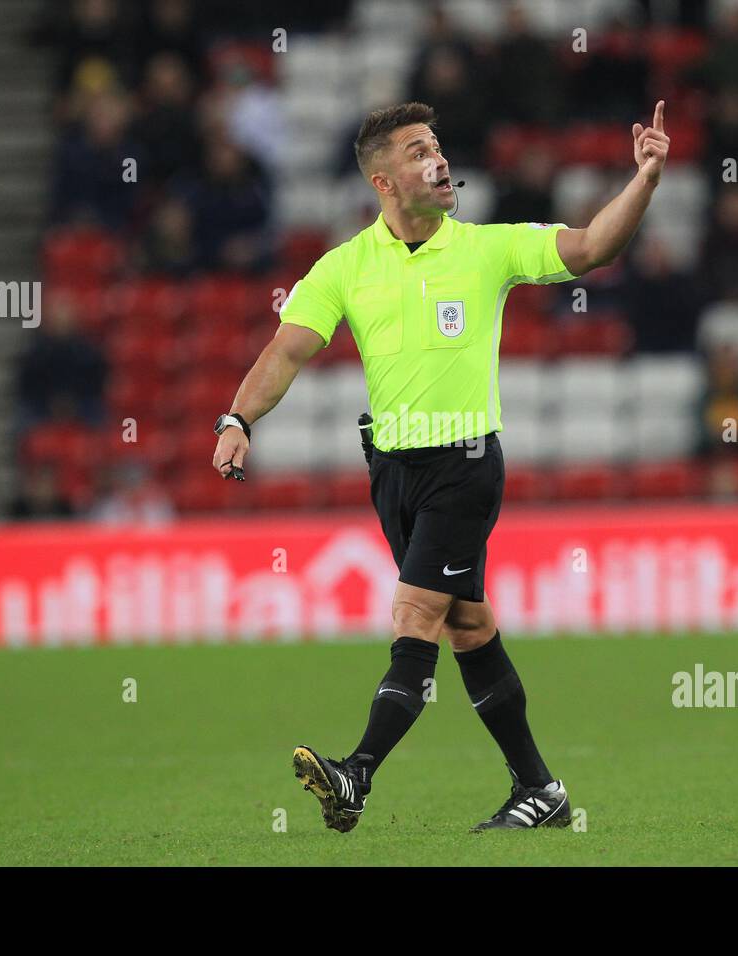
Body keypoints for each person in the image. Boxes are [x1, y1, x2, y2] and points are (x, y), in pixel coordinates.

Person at [212, 100, 670, 832]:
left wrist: (644, 179)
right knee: (468, 628)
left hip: (464, 466)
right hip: (391, 474)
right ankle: (540, 790)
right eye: (420, 151)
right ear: (383, 181)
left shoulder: (487, 248)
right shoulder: (344, 267)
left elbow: (590, 249)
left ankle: (356, 773)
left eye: (439, 146)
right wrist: (237, 418)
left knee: (414, 615)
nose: (440, 159)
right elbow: (287, 351)